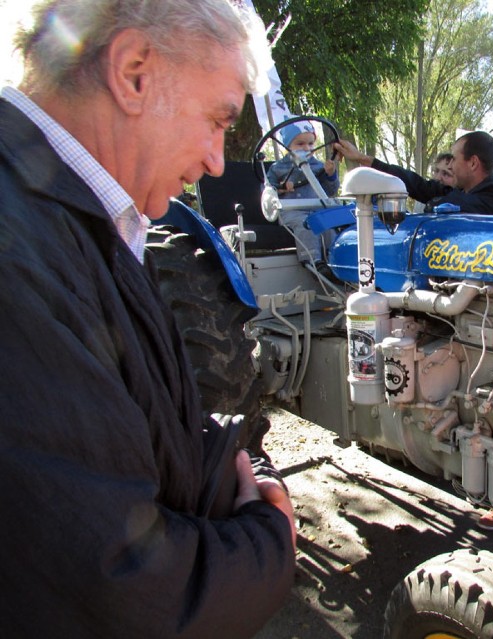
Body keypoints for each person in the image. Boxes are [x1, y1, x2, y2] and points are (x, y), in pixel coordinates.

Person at [0, 2, 296, 637]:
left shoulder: (85, 222)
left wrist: (240, 461)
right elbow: (116, 593)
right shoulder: (16, 248)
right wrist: (270, 543)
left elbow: (141, 416)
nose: (218, 162)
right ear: (134, 72)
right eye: (217, 120)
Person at [333, 130, 493, 214]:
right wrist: (362, 159)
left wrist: (434, 205)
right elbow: (417, 185)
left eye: (454, 159)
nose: (451, 166)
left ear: (473, 163)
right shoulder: (464, 193)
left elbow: (448, 203)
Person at [266, 120, 339, 266]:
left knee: (329, 227)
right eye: (300, 144)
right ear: (287, 145)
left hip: (316, 209)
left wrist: (331, 175)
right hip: (292, 212)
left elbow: (330, 191)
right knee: (306, 225)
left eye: (311, 144)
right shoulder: (278, 168)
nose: (307, 148)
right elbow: (268, 192)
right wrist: (281, 188)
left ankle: (334, 261)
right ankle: (313, 262)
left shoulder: (319, 167)